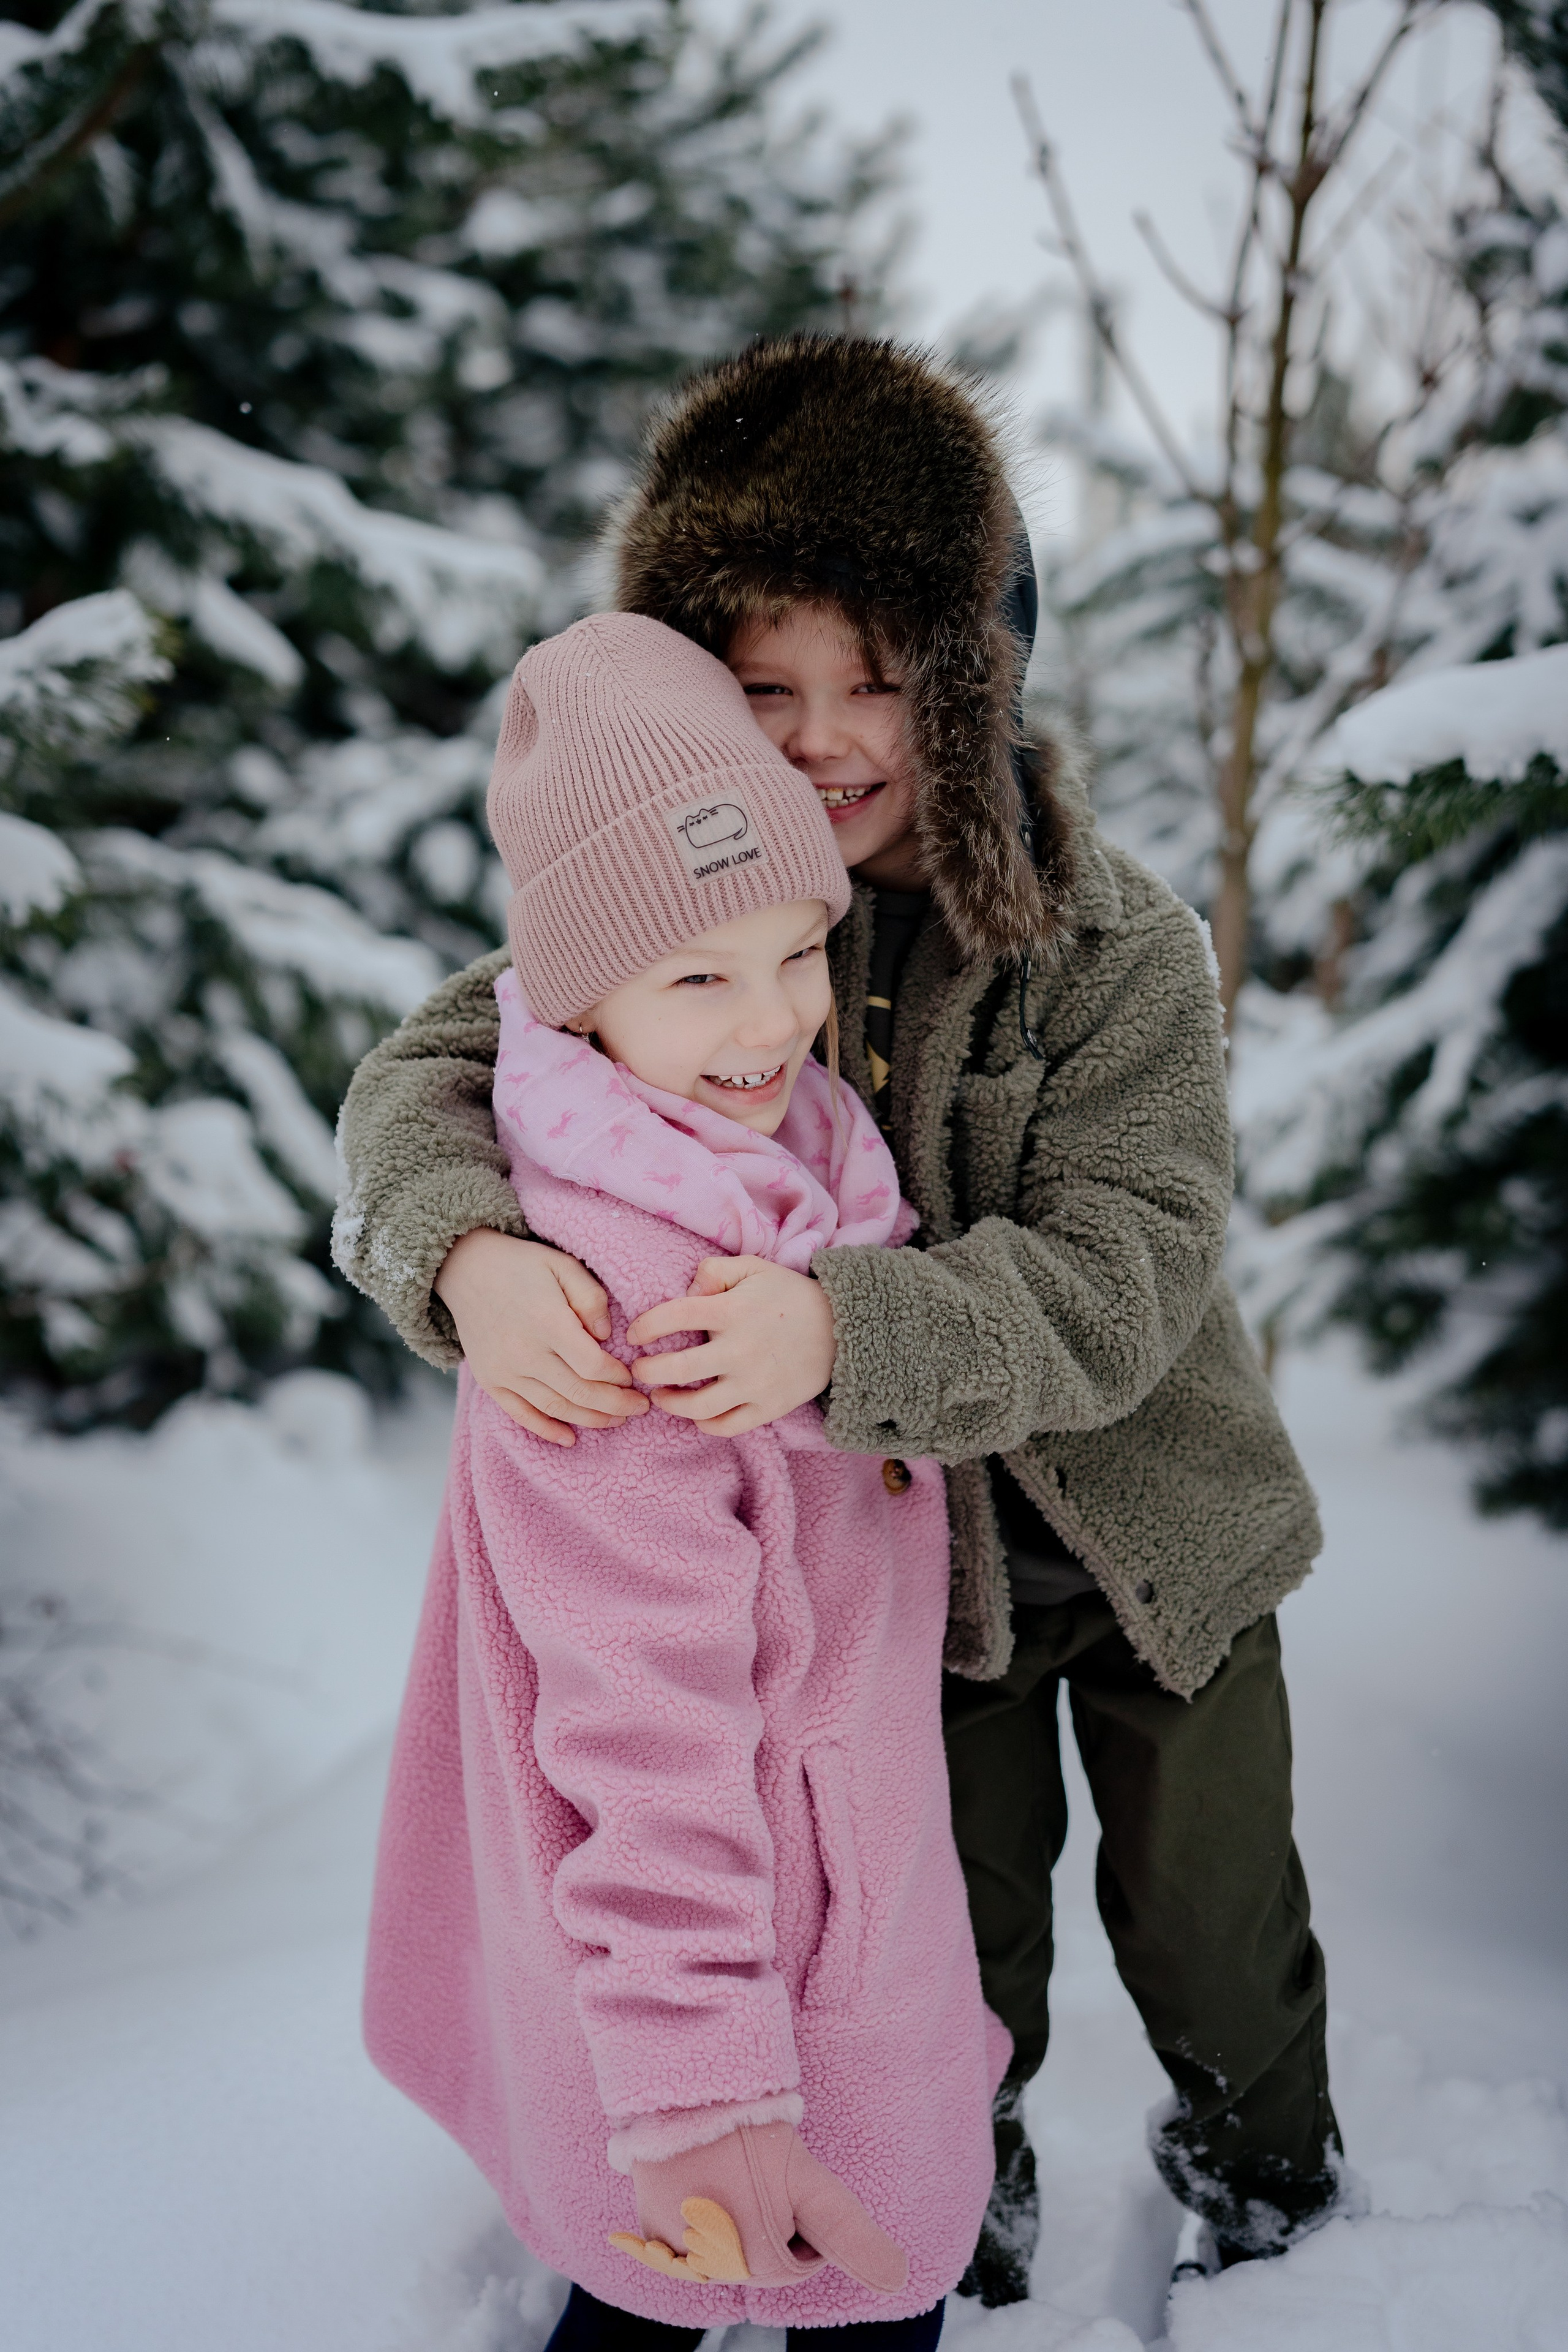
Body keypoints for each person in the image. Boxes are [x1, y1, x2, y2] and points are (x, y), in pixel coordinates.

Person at [339, 337, 1347, 2306]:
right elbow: (417, 1084)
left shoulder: (1107, 938)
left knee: (1217, 1921)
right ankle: (957, 2193)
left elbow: (1131, 1268)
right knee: (941, 1947)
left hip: (1155, 1543)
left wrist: (842, 1331)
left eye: (881, 680)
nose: (823, 739)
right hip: (911, 1583)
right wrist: (461, 1247)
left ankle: (1267, 2177)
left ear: (972, 681)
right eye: (765, 687)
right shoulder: (661, 907)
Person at [363, 611, 1003, 2350]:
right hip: (734, 1930)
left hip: (834, 1860)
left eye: (798, 952)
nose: (772, 1022)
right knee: (760, 2257)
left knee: (819, 2254)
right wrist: (703, 2078)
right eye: (698, 978)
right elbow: (639, 1731)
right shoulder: (631, 1303)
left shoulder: (779, 1165)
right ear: (578, 1003)